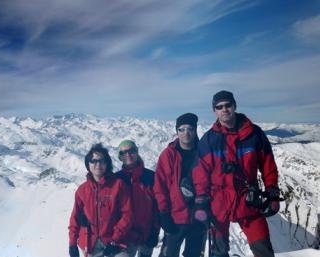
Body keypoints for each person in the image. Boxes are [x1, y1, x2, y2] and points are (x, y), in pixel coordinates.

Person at [191, 90, 283, 257]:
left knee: (264, 251)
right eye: (219, 107)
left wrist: (272, 192)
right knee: (218, 253)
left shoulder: (254, 134)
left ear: (234, 106)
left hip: (249, 202)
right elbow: (200, 174)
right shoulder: (208, 140)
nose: (224, 109)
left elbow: (268, 165)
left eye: (227, 105)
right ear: (215, 111)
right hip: (218, 205)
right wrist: (201, 201)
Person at [154, 113, 206, 257]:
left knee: (194, 254)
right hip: (175, 216)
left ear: (195, 130)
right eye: (181, 129)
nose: (186, 133)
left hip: (199, 216)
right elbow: (160, 186)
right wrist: (164, 213)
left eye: (189, 129)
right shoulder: (168, 155)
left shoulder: (204, 153)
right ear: (177, 132)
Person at [70, 144, 136, 257]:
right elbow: (75, 218)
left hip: (116, 242)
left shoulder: (118, 186)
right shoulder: (82, 190)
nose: (98, 164)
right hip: (91, 243)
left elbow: (127, 215)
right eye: (93, 161)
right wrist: (72, 244)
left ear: (107, 163)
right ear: (88, 164)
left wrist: (114, 240)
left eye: (102, 160)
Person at [118, 140, 158, 257]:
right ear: (120, 157)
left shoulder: (150, 177)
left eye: (132, 151)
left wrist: (155, 231)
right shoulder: (116, 179)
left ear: (137, 152)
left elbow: (157, 206)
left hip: (147, 233)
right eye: (123, 152)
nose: (128, 155)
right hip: (125, 235)